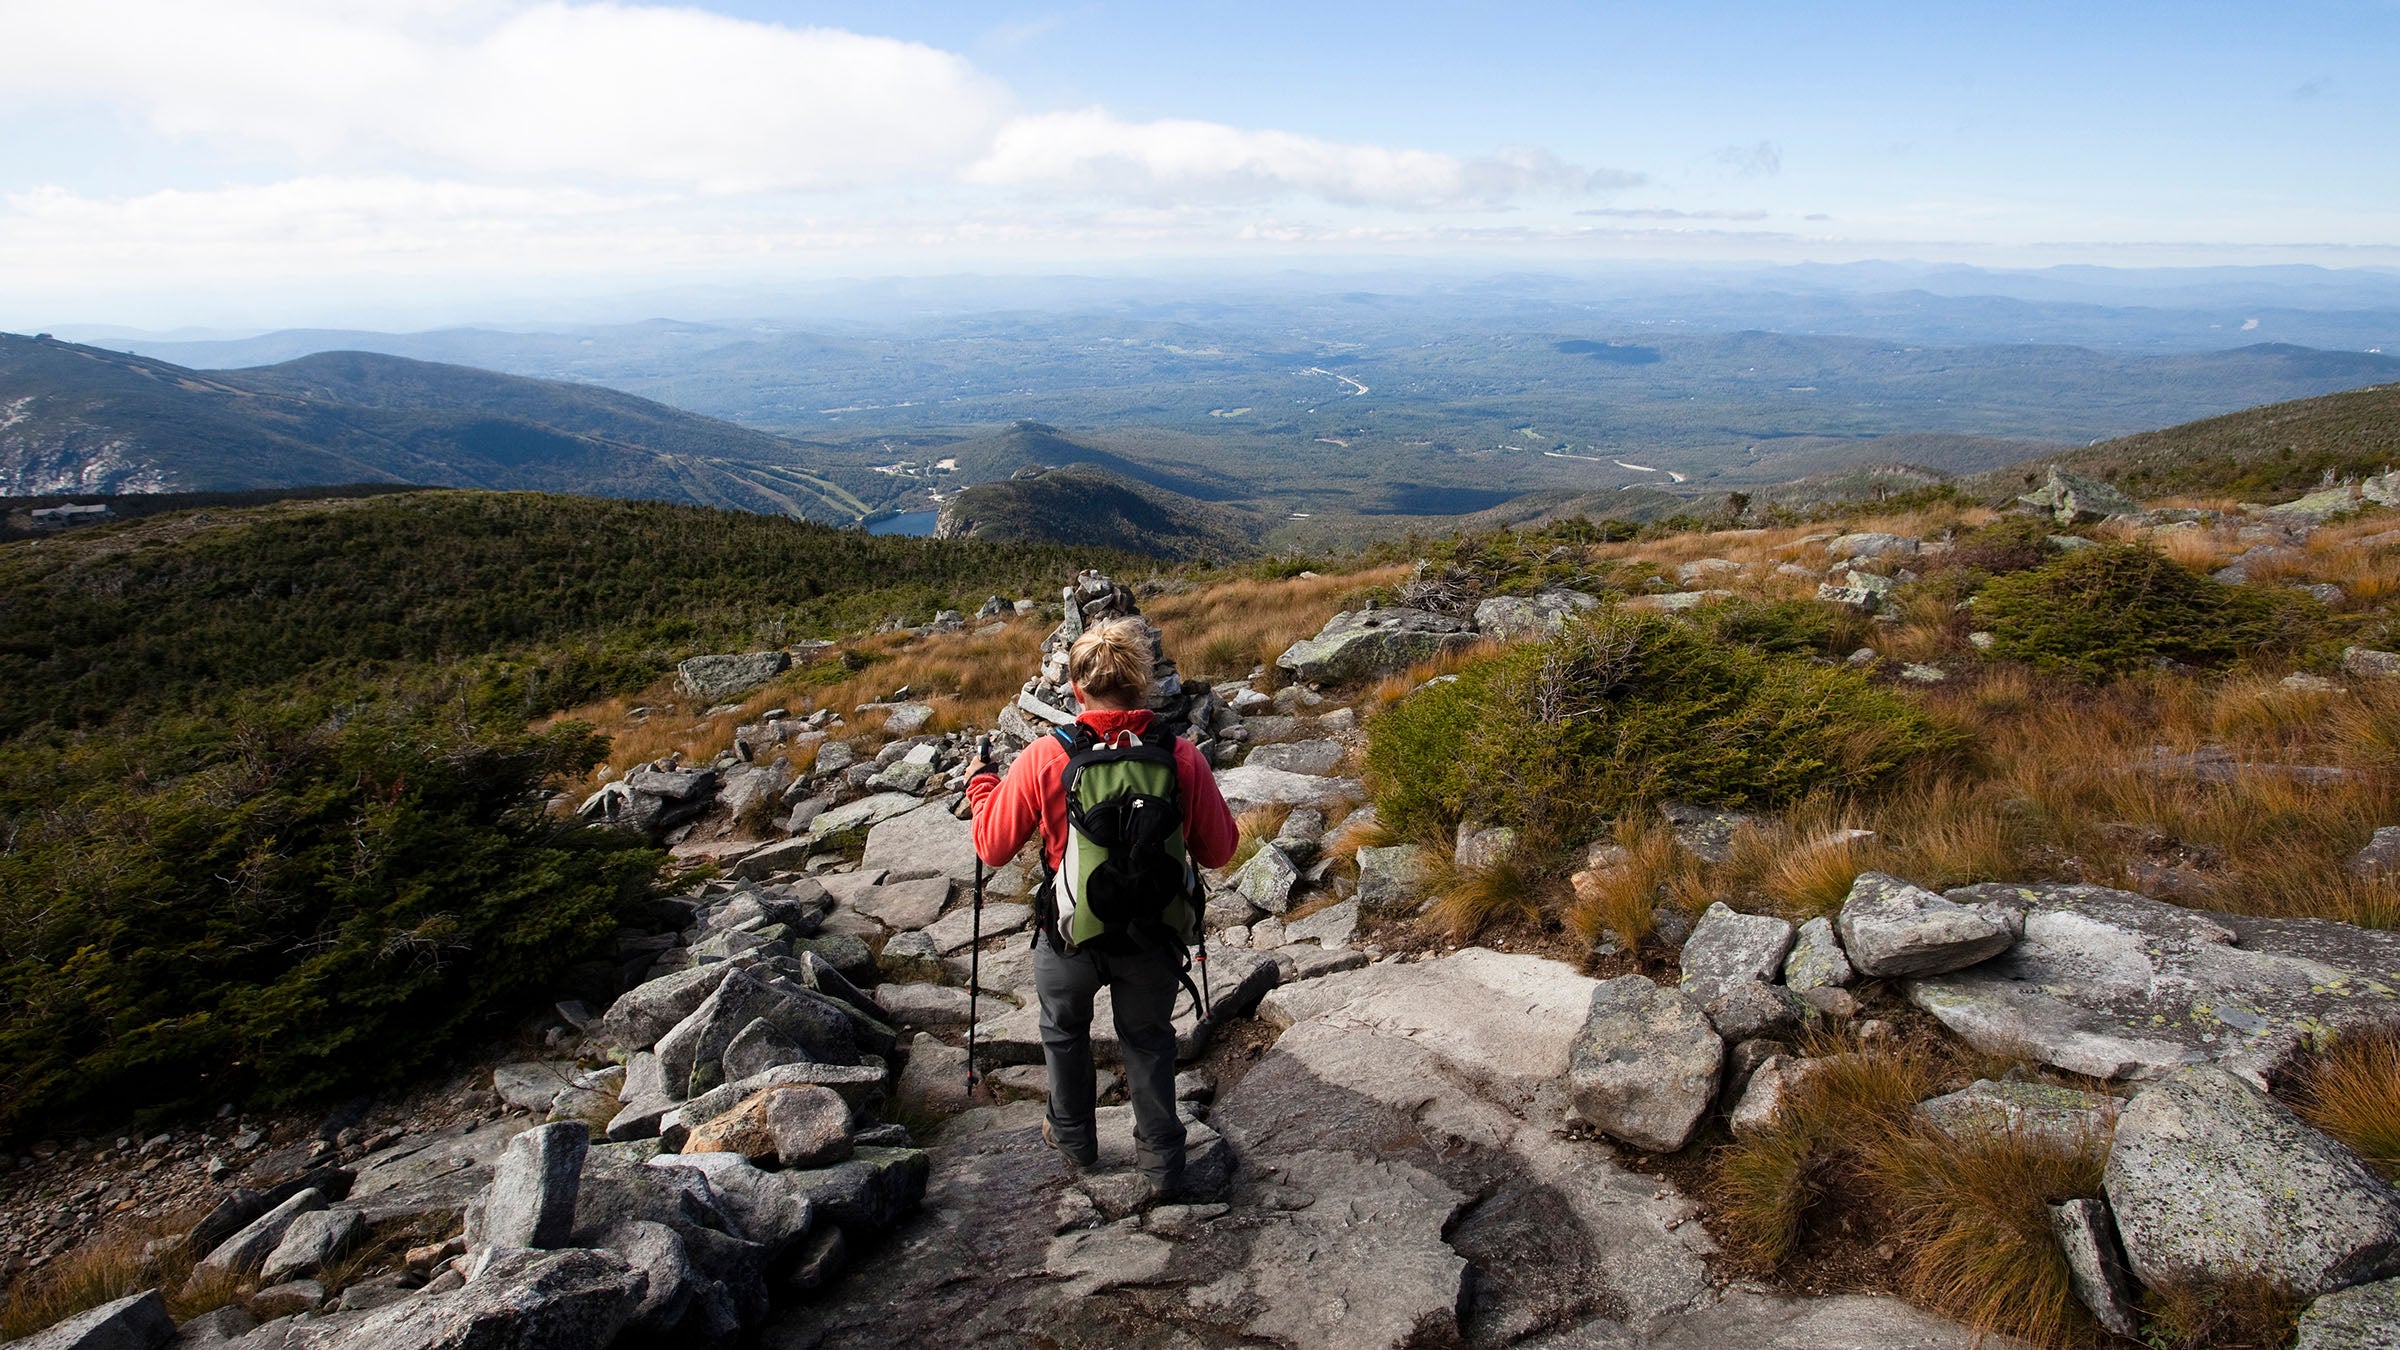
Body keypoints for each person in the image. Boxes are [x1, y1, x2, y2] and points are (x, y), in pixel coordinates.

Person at [964, 616, 1237, 1198]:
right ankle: (1163, 1164)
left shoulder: (1044, 756)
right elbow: (1220, 850)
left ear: (1076, 689)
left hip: (1070, 935)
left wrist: (980, 784)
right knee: (1149, 1040)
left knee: (1063, 1032)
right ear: (1142, 685)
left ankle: (1074, 1139)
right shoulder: (1180, 756)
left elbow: (991, 845)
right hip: (1154, 935)